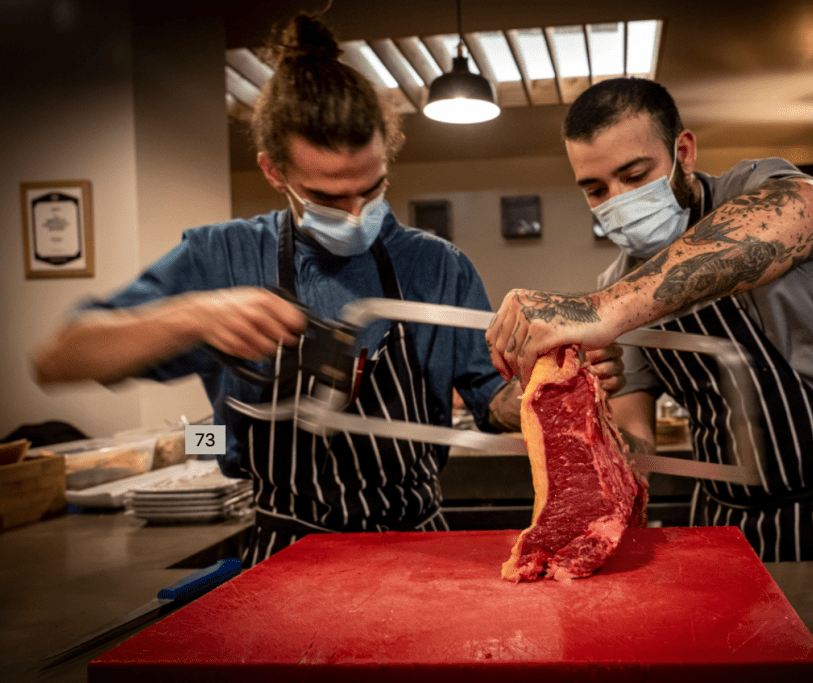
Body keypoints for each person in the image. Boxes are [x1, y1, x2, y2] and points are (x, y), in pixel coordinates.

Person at [31, 13, 622, 567]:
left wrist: (543, 391)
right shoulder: (223, 256)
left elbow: (491, 400)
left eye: (371, 188)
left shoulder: (436, 266)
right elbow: (61, 356)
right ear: (274, 172)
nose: (356, 212)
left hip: (418, 544)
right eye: (329, 198)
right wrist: (194, 315)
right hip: (285, 549)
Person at [486, 77, 813, 562]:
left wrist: (602, 310)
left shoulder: (746, 192)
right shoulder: (617, 279)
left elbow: (809, 205)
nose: (617, 200)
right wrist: (581, 406)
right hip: (721, 515)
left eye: (636, 175)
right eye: (596, 189)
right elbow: (638, 436)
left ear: (683, 152)